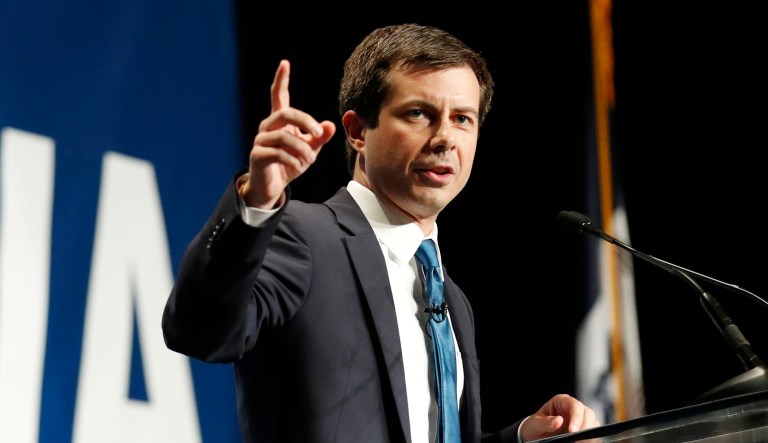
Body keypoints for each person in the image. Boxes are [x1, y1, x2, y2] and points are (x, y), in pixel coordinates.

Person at [162, 23, 599, 442]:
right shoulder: (305, 236)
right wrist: (255, 202)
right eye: (418, 114)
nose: (445, 137)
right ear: (356, 131)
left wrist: (524, 436)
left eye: (463, 119)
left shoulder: (451, 298)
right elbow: (199, 332)